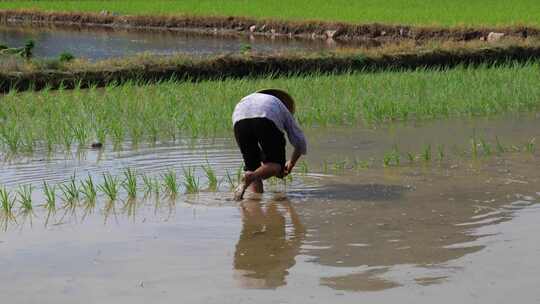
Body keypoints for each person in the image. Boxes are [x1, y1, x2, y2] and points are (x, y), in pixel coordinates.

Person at [232, 89, 307, 200]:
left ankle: (255, 200)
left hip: (238, 120)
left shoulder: (246, 100)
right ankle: (251, 176)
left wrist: (260, 157)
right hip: (265, 117)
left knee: (252, 167)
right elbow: (300, 141)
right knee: (276, 165)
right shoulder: (279, 105)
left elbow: (242, 142)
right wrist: (290, 163)